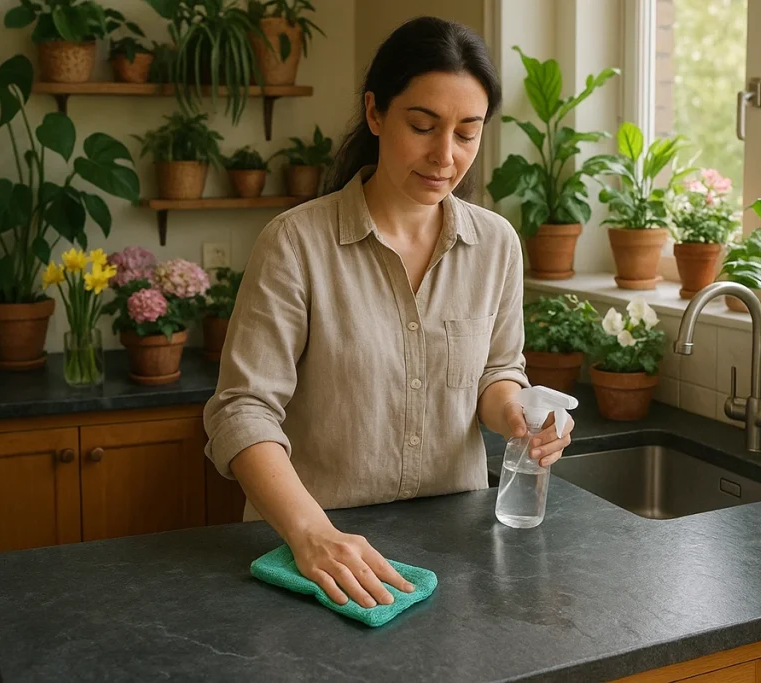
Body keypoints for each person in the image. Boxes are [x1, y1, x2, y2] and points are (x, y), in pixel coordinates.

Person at [203, 16, 575, 611]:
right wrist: (310, 532)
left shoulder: (497, 244)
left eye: (467, 134)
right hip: (313, 550)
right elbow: (241, 410)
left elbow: (497, 370)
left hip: (452, 549)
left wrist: (517, 415)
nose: (445, 156)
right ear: (375, 113)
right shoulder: (296, 243)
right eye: (422, 126)